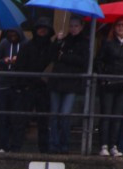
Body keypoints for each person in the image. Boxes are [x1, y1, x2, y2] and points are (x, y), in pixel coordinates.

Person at [10, 16, 54, 153]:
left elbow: (54, 65)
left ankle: (44, 150)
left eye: (45, 28)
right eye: (40, 28)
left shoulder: (52, 48)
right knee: (21, 120)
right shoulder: (27, 46)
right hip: (28, 87)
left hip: (43, 89)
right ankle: (15, 148)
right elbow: (19, 67)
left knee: (44, 121)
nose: (42, 31)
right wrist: (23, 84)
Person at [97, 17, 123, 157]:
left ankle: (114, 145)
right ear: (114, 28)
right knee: (106, 115)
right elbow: (99, 60)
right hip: (109, 82)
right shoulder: (108, 43)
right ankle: (104, 145)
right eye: (118, 25)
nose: (121, 28)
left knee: (117, 116)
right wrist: (103, 78)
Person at [48, 17, 88, 154]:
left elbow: (83, 61)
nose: (73, 28)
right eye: (71, 26)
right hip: (57, 81)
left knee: (65, 114)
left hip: (71, 83)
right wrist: (56, 42)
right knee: (54, 115)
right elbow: (52, 56)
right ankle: (54, 144)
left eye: (76, 26)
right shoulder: (63, 40)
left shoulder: (84, 42)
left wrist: (63, 57)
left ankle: (64, 144)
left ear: (81, 27)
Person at [0, 27, 21, 153]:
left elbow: (28, 62)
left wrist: (18, 60)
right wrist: (4, 61)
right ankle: (2, 145)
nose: (13, 35)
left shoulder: (24, 44)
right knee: (3, 117)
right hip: (4, 84)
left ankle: (15, 146)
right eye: (11, 33)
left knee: (16, 118)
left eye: (15, 33)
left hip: (18, 85)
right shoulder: (4, 43)